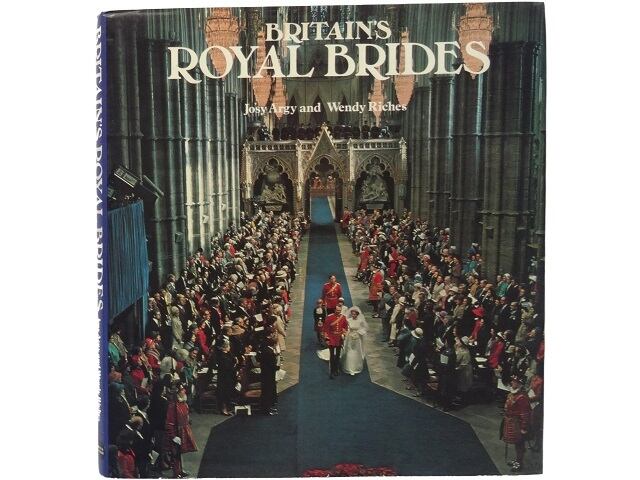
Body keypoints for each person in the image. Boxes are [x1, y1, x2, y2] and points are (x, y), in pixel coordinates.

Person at [502, 375, 532, 472]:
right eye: (512, 381)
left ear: (520, 384)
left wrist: (523, 428)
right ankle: (517, 460)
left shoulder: (522, 397)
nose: (512, 382)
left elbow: (525, 414)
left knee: (519, 444)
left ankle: (519, 463)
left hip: (517, 424)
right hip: (511, 422)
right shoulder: (513, 393)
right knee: (517, 443)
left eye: (514, 381)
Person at [321, 305, 349, 378]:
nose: (338, 312)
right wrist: (327, 339)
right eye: (337, 310)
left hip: (339, 338)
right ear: (334, 310)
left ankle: (336, 369)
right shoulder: (329, 317)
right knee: (332, 355)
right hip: (332, 338)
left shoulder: (343, 317)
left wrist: (343, 334)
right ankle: (332, 371)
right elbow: (326, 328)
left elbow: (345, 327)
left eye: (339, 310)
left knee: (338, 355)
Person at [341, 306, 368, 375]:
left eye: (355, 314)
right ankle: (349, 367)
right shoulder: (348, 320)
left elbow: (364, 328)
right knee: (349, 351)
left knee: (356, 351)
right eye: (352, 314)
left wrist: (359, 333)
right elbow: (347, 328)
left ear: (357, 314)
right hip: (350, 337)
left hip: (357, 338)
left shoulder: (360, 321)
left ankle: (356, 366)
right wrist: (346, 334)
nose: (353, 315)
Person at [259, 337, 280, 415]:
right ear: (274, 344)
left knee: (267, 391)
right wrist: (277, 367)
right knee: (267, 392)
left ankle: (268, 407)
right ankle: (266, 410)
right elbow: (271, 365)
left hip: (266, 374)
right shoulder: (269, 352)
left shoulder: (267, 350)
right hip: (268, 375)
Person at [215, 341, 237, 416]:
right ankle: (223, 409)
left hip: (228, 376)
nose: (230, 348)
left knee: (228, 392)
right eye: (228, 346)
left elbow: (233, 360)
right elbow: (227, 366)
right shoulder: (222, 356)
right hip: (223, 377)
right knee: (224, 392)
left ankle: (228, 408)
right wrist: (233, 365)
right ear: (225, 347)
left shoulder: (228, 354)